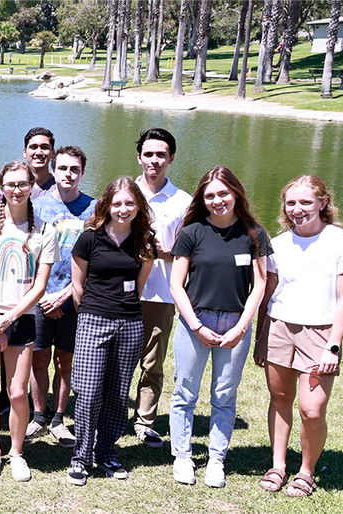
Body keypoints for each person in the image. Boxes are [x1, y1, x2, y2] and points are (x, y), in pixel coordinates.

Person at [254, 175, 343, 498]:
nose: (297, 209)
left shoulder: (340, 242)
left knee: (312, 409)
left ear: (323, 203)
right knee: (281, 399)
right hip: (279, 328)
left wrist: (334, 345)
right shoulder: (280, 244)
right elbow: (268, 292)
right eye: (291, 203)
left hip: (320, 334)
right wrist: (260, 336)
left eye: (305, 202)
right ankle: (278, 465)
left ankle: (306, 471)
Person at [167, 166, 271, 488]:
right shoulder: (191, 232)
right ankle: (183, 456)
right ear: (202, 198)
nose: (217, 200)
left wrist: (241, 327)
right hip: (193, 322)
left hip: (235, 324)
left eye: (223, 193)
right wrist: (196, 326)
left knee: (224, 394)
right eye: (210, 195)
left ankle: (216, 459)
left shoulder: (254, 232)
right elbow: (175, 283)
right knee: (185, 392)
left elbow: (260, 284)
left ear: (236, 193)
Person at [0, 162, 58, 482]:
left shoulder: (45, 230)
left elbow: (40, 286)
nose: (16, 190)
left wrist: (10, 319)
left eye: (22, 184)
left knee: (18, 392)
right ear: (1, 188)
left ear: (32, 185)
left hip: (21, 318)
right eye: (10, 184)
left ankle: (16, 452)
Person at [65, 177, 155, 486]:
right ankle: (80, 456)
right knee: (89, 393)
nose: (123, 208)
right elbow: (78, 287)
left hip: (129, 323)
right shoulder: (89, 239)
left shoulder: (144, 241)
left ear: (138, 206)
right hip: (93, 321)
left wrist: (120, 308)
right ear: (106, 205)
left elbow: (139, 288)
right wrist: (94, 313)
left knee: (117, 394)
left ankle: (106, 452)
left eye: (130, 203)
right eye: (117, 203)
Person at [26, 146, 95, 448]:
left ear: (82, 172)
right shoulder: (36, 205)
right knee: (38, 358)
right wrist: (42, 295)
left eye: (74, 169)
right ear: (53, 171)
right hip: (39, 296)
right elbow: (26, 254)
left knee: (65, 361)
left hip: (74, 298)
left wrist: (66, 294)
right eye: (63, 168)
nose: (68, 174)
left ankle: (58, 418)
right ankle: (38, 415)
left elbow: (95, 259)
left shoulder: (93, 209)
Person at [130, 128, 191, 449]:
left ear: (171, 159)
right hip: (122, 290)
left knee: (152, 361)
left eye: (161, 155)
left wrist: (160, 252)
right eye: (149, 154)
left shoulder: (183, 201)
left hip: (161, 293)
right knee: (117, 358)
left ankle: (144, 420)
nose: (154, 160)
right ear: (139, 157)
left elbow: (189, 250)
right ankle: (110, 413)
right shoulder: (124, 193)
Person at [23, 127, 56, 197]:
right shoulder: (11, 186)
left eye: (44, 147)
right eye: (33, 147)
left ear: (53, 153)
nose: (38, 153)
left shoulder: (60, 189)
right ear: (25, 152)